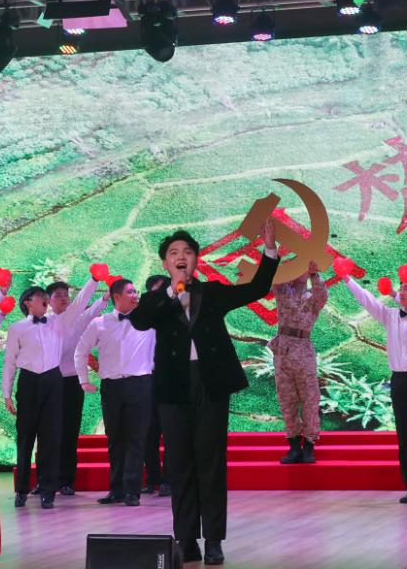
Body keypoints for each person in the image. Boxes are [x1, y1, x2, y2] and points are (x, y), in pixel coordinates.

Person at [128, 221, 278, 566]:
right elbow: (140, 321)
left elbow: (257, 288)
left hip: (210, 384)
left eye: (187, 252)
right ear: (166, 263)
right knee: (179, 464)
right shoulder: (155, 300)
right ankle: (186, 539)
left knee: (210, 463)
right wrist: (171, 293)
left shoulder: (212, 292)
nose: (181, 257)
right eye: (174, 253)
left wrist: (269, 251)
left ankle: (212, 540)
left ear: (196, 259)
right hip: (173, 387)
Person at [341, 274, 407, 503]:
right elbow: (368, 301)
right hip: (399, 381)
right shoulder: (390, 316)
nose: (401, 291)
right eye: (401, 287)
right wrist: (348, 279)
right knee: (406, 436)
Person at [2, 272, 100, 509]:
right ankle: (22, 490)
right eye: (41, 297)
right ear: (28, 302)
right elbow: (9, 362)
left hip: (53, 381)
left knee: (51, 438)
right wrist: (7, 393)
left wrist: (94, 280)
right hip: (28, 382)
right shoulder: (17, 328)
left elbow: (79, 304)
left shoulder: (59, 322)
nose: (46, 300)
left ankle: (48, 490)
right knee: (25, 438)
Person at [75, 278, 156, 507]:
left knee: (136, 438)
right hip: (111, 387)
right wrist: (83, 380)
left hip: (140, 384)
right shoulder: (99, 323)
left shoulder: (149, 321)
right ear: (116, 297)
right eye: (130, 292)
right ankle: (116, 489)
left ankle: (132, 491)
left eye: (136, 291)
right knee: (115, 438)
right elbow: (81, 351)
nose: (135, 295)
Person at [49, 277, 109, 496]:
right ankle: (47, 480)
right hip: (50, 382)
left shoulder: (78, 319)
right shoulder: (45, 322)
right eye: (58, 295)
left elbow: (93, 310)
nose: (64, 298)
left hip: (72, 382)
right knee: (48, 432)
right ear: (48, 301)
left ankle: (66, 480)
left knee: (69, 430)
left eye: (66, 294)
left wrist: (105, 297)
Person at [270, 260, 327, 464]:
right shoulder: (283, 290)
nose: (300, 270)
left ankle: (309, 445)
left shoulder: (313, 296)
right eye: (298, 266)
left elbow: (322, 296)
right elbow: (275, 279)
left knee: (310, 399)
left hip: (303, 350)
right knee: (287, 399)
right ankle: (294, 446)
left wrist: (314, 274)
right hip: (283, 349)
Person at [142, 275, 170, 497]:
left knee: (171, 432)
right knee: (148, 433)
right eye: (155, 291)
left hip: (171, 377)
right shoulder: (142, 318)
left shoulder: (177, 315)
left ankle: (169, 480)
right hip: (147, 378)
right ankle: (152, 478)